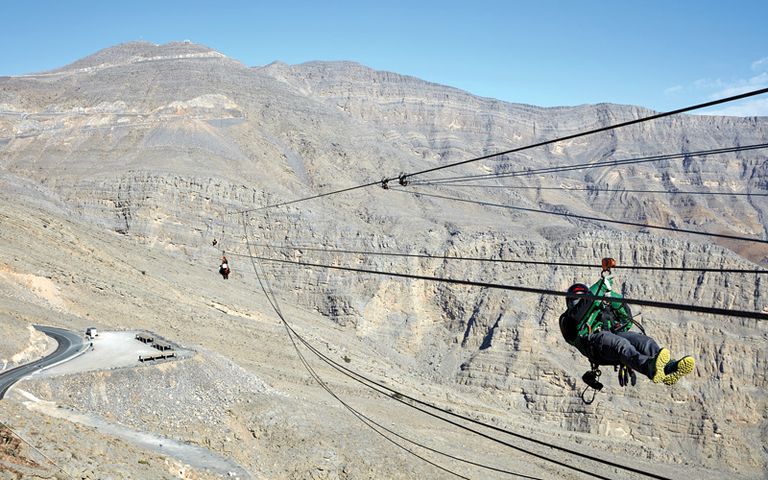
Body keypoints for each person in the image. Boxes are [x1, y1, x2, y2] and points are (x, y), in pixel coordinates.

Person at [559, 274, 694, 386]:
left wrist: (611, 297)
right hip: (594, 345)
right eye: (575, 301)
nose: (578, 304)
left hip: (610, 339)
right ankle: (649, 367)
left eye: (581, 300)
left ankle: (668, 368)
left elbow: (626, 320)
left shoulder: (597, 309)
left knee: (643, 341)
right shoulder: (566, 321)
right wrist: (600, 288)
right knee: (620, 344)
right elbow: (577, 316)